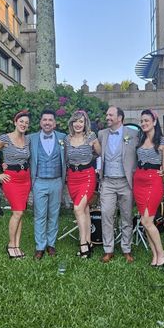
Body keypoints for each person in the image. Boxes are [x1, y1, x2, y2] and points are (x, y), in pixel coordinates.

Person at [0, 110, 31, 259]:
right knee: (17, 212)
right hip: (11, 180)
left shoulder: (28, 140)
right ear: (15, 122)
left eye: (26, 123)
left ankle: (17, 245)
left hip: (25, 179)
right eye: (21, 121)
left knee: (21, 212)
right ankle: (11, 245)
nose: (24, 124)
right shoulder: (5, 138)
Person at [134, 109, 164, 267]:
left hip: (153, 183)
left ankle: (162, 253)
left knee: (147, 220)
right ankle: (155, 255)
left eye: (147, 120)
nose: (144, 123)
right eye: (142, 121)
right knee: (145, 223)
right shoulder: (139, 139)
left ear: (155, 122)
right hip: (138, 182)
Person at [98, 106, 139, 263]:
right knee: (107, 215)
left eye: (110, 114)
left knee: (127, 217)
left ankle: (126, 249)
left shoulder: (134, 134)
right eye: (107, 114)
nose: (107, 117)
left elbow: (143, 151)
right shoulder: (102, 134)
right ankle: (108, 249)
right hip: (107, 181)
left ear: (120, 118)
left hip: (125, 182)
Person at [29, 109, 67, 260]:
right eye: (44, 120)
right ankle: (40, 246)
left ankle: (51, 244)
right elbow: (18, 149)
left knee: (54, 214)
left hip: (57, 181)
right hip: (39, 181)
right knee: (39, 215)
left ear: (54, 123)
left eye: (50, 120)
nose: (47, 122)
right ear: (40, 122)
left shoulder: (63, 138)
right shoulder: (31, 138)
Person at [65, 110, 101, 258]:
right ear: (71, 123)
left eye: (81, 121)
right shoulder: (67, 139)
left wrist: (90, 155)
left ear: (85, 123)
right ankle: (89, 241)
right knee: (84, 210)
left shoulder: (91, 137)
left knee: (78, 208)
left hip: (87, 176)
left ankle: (83, 245)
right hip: (72, 177)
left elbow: (99, 153)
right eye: (75, 121)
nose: (78, 124)